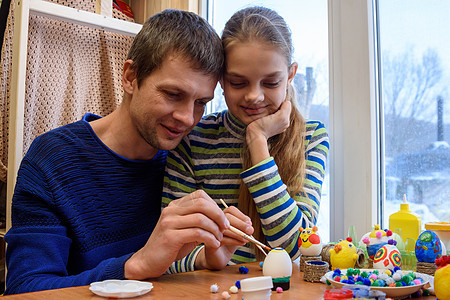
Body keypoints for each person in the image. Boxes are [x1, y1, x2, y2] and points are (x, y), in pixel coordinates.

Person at [4, 9, 254, 295]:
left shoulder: (190, 156)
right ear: (130, 77)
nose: (187, 118)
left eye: (201, 102)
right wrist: (134, 266)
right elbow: (24, 290)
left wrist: (203, 258)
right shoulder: (52, 160)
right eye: (173, 94)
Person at [162, 6, 329, 263]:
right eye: (238, 83)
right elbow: (168, 255)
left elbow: (295, 247)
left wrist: (257, 140)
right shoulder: (193, 139)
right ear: (221, 81)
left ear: (291, 75)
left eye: (271, 82)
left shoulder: (311, 137)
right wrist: (207, 259)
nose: (254, 96)